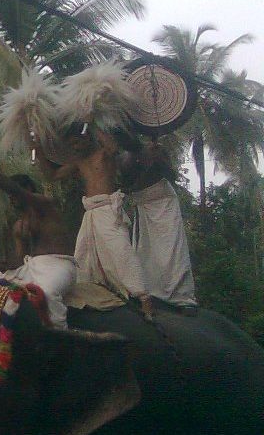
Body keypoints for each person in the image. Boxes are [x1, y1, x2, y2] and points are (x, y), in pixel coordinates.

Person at [37, 124, 152, 316]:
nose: (75, 147)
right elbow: (53, 176)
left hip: (108, 210)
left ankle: (144, 299)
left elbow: (113, 148)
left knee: (121, 251)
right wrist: (38, 151)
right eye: (71, 145)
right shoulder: (78, 163)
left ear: (87, 138)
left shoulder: (104, 153)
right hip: (91, 213)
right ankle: (94, 295)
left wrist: (91, 122)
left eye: (77, 142)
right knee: (83, 257)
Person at [0, 151, 77, 327]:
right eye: (10, 197)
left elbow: (13, 189)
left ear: (27, 190)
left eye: (15, 195)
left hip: (58, 265)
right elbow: (19, 260)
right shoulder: (19, 226)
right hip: (30, 267)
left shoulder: (45, 206)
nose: (12, 199)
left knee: (47, 293)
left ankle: (60, 334)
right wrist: (6, 266)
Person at [124, 137, 197, 307]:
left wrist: (158, 158)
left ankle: (179, 294)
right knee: (145, 249)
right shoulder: (124, 157)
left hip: (163, 201)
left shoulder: (157, 150)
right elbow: (127, 185)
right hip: (144, 203)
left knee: (171, 248)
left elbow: (171, 174)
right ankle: (148, 290)